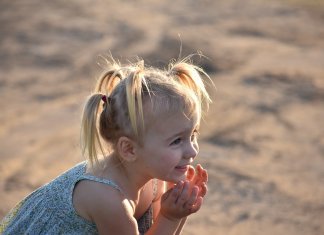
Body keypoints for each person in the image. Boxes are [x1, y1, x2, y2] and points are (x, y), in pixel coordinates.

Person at [0, 55, 212, 234]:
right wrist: (170, 217)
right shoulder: (109, 200)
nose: (192, 150)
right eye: (177, 141)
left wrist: (179, 210)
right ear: (129, 149)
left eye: (193, 134)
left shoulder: (152, 176)